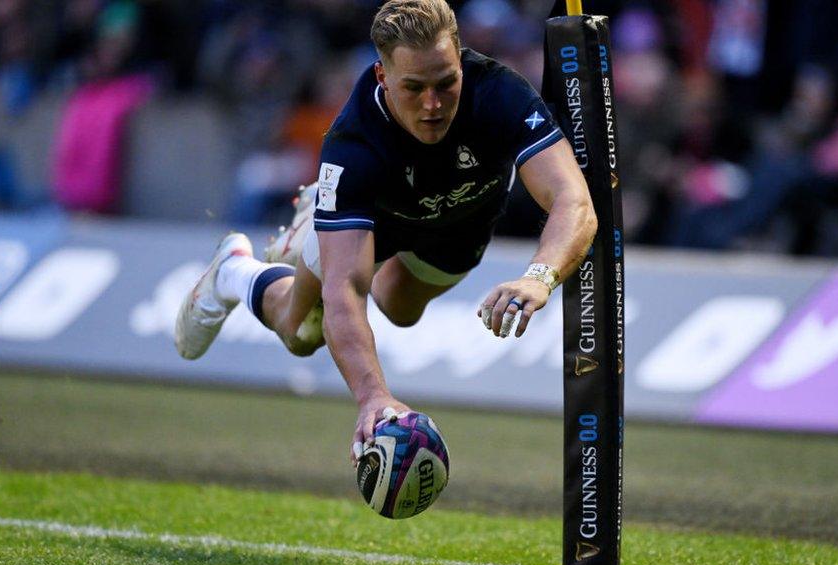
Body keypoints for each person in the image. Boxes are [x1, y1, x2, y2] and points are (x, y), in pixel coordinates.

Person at [175, 0, 597, 464]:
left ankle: (320, 233)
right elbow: (346, 292)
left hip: (459, 221)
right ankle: (238, 268)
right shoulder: (353, 143)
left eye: (446, 83)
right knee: (303, 333)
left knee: (400, 309)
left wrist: (539, 276)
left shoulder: (501, 92)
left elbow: (573, 201)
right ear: (382, 76)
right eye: (413, 88)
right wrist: (373, 396)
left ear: (461, 59)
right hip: (377, 215)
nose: (433, 105)